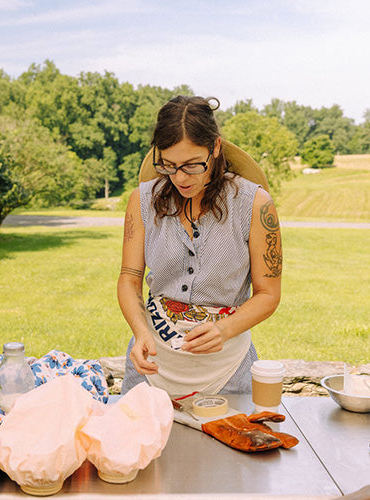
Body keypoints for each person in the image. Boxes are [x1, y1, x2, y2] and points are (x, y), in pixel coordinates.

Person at [117, 95, 282, 396]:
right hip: (151, 367)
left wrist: (223, 330)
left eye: (192, 165)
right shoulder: (140, 201)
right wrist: (140, 332)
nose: (179, 178)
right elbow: (129, 279)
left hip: (228, 371)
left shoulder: (256, 205)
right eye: (169, 165)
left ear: (215, 148)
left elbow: (268, 294)